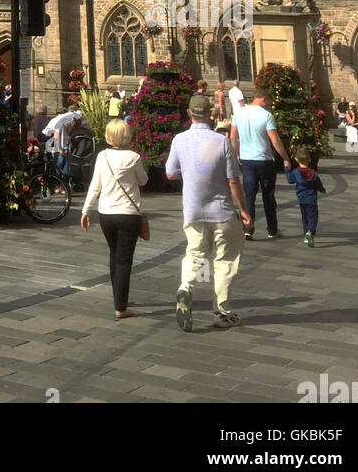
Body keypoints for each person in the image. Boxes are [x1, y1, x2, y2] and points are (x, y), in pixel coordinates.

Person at [165, 94, 252, 331]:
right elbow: (233, 180)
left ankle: (186, 288)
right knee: (225, 260)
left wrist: (192, 174)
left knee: (195, 252)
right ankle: (221, 312)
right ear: (211, 114)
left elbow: (170, 173)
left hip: (193, 209)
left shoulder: (179, 140)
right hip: (222, 211)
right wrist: (243, 210)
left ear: (188, 113)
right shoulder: (221, 141)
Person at [80, 119, 148, 319]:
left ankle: (117, 294)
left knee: (114, 253)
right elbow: (143, 180)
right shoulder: (134, 158)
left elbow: (95, 185)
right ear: (127, 136)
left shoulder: (102, 156)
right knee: (125, 259)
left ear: (109, 137)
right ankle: (121, 306)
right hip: (128, 214)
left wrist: (85, 210)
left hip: (106, 214)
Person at [230, 85, 290, 240]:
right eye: (267, 102)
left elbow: (232, 137)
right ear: (262, 99)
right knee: (268, 196)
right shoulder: (266, 115)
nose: (268, 105)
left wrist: (237, 154)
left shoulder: (239, 113)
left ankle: (247, 229)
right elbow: (275, 140)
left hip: (247, 159)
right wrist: (285, 157)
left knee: (249, 195)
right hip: (264, 160)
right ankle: (272, 229)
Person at [284, 148, 326, 246]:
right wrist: (322, 189)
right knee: (313, 217)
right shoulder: (313, 173)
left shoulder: (296, 172)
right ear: (310, 159)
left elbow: (290, 180)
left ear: (296, 159)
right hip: (312, 199)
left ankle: (306, 233)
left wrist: (286, 169)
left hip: (301, 199)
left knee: (305, 217)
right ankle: (310, 232)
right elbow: (318, 184)